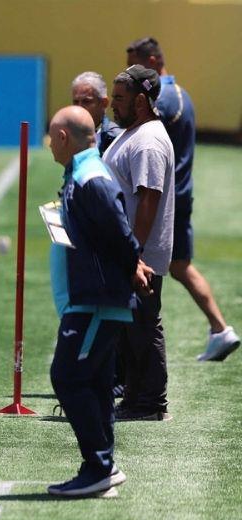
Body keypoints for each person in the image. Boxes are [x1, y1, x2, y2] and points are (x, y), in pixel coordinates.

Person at [45, 106, 153, 497]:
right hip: (91, 296)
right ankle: (102, 465)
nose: (48, 145)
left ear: (62, 138)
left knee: (68, 376)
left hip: (95, 298)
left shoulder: (91, 178)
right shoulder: (80, 173)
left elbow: (118, 228)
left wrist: (133, 264)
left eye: (50, 137)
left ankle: (99, 466)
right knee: (96, 382)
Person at [127, 37, 239, 361]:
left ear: (151, 61)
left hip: (165, 200)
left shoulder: (164, 101)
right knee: (180, 267)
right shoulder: (181, 95)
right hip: (179, 194)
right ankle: (220, 329)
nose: (130, 72)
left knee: (149, 266)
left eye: (135, 65)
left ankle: (137, 365)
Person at [103, 65, 175, 421]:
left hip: (140, 253)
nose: (112, 104)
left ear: (141, 101)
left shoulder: (147, 141)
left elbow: (148, 199)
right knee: (130, 329)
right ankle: (134, 398)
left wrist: (134, 252)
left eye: (119, 98)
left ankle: (150, 403)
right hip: (130, 250)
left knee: (143, 326)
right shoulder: (134, 132)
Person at [70, 71, 123, 155]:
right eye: (76, 102)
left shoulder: (116, 137)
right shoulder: (71, 135)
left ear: (104, 103)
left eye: (86, 101)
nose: (79, 107)